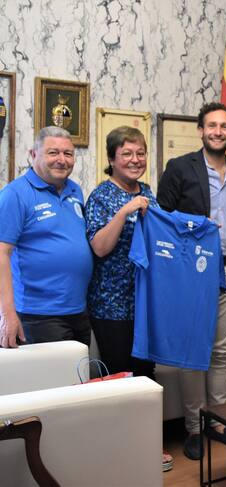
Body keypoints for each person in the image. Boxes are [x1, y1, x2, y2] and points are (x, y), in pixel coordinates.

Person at [157, 102, 226, 459]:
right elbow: (162, 217)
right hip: (193, 271)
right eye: (212, 125)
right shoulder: (179, 168)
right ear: (201, 130)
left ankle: (217, 422)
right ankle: (193, 426)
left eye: (224, 126)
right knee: (193, 352)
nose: (218, 132)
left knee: (221, 351)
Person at [85, 126, 173, 472]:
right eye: (127, 154)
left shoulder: (149, 192)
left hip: (145, 303)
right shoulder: (102, 196)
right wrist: (125, 212)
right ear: (112, 159)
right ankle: (121, 449)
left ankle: (149, 442)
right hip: (111, 304)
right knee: (120, 376)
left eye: (140, 153)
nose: (135, 160)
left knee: (146, 374)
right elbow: (99, 247)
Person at [0, 127, 93, 348]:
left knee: (79, 370)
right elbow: (2, 254)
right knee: (54, 372)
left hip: (78, 311)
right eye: (53, 153)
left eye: (68, 153)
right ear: (33, 155)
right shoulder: (15, 194)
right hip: (37, 316)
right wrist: (7, 314)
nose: (62, 160)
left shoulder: (75, 190)